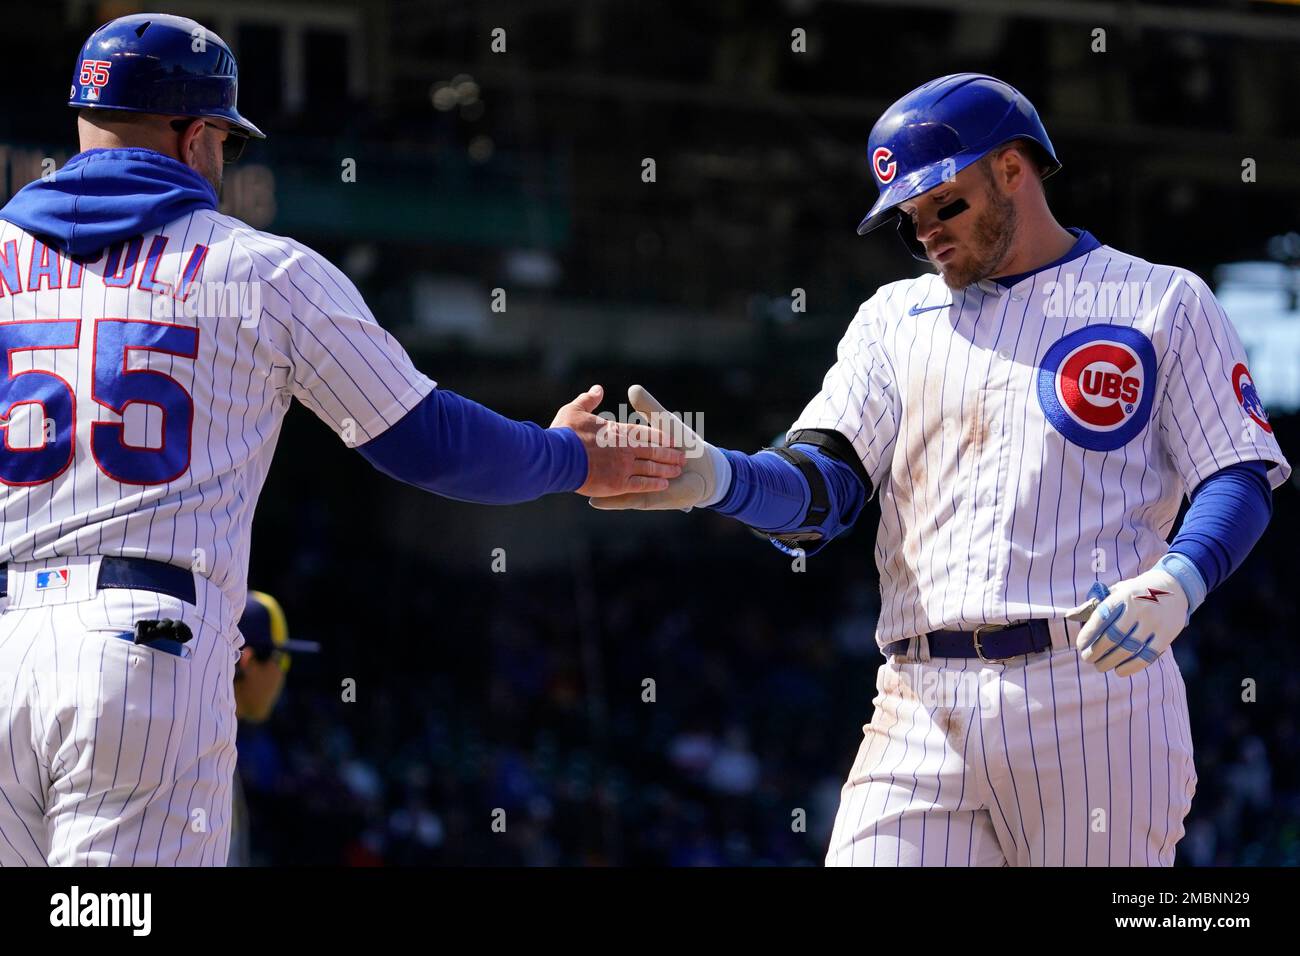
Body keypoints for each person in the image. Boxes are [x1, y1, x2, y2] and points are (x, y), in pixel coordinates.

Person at [0, 12, 681, 867]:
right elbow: (423, 439)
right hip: (140, 655)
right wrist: (573, 457)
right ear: (198, 133)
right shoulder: (261, 268)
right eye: (227, 144)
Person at [594, 73, 1291, 866]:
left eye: (944, 204)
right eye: (909, 220)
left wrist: (1180, 581)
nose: (928, 231)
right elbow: (825, 488)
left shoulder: (1163, 301)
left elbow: (1237, 471)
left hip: (1093, 690)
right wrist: (721, 477)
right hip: (920, 701)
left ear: (1012, 168)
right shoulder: (894, 318)